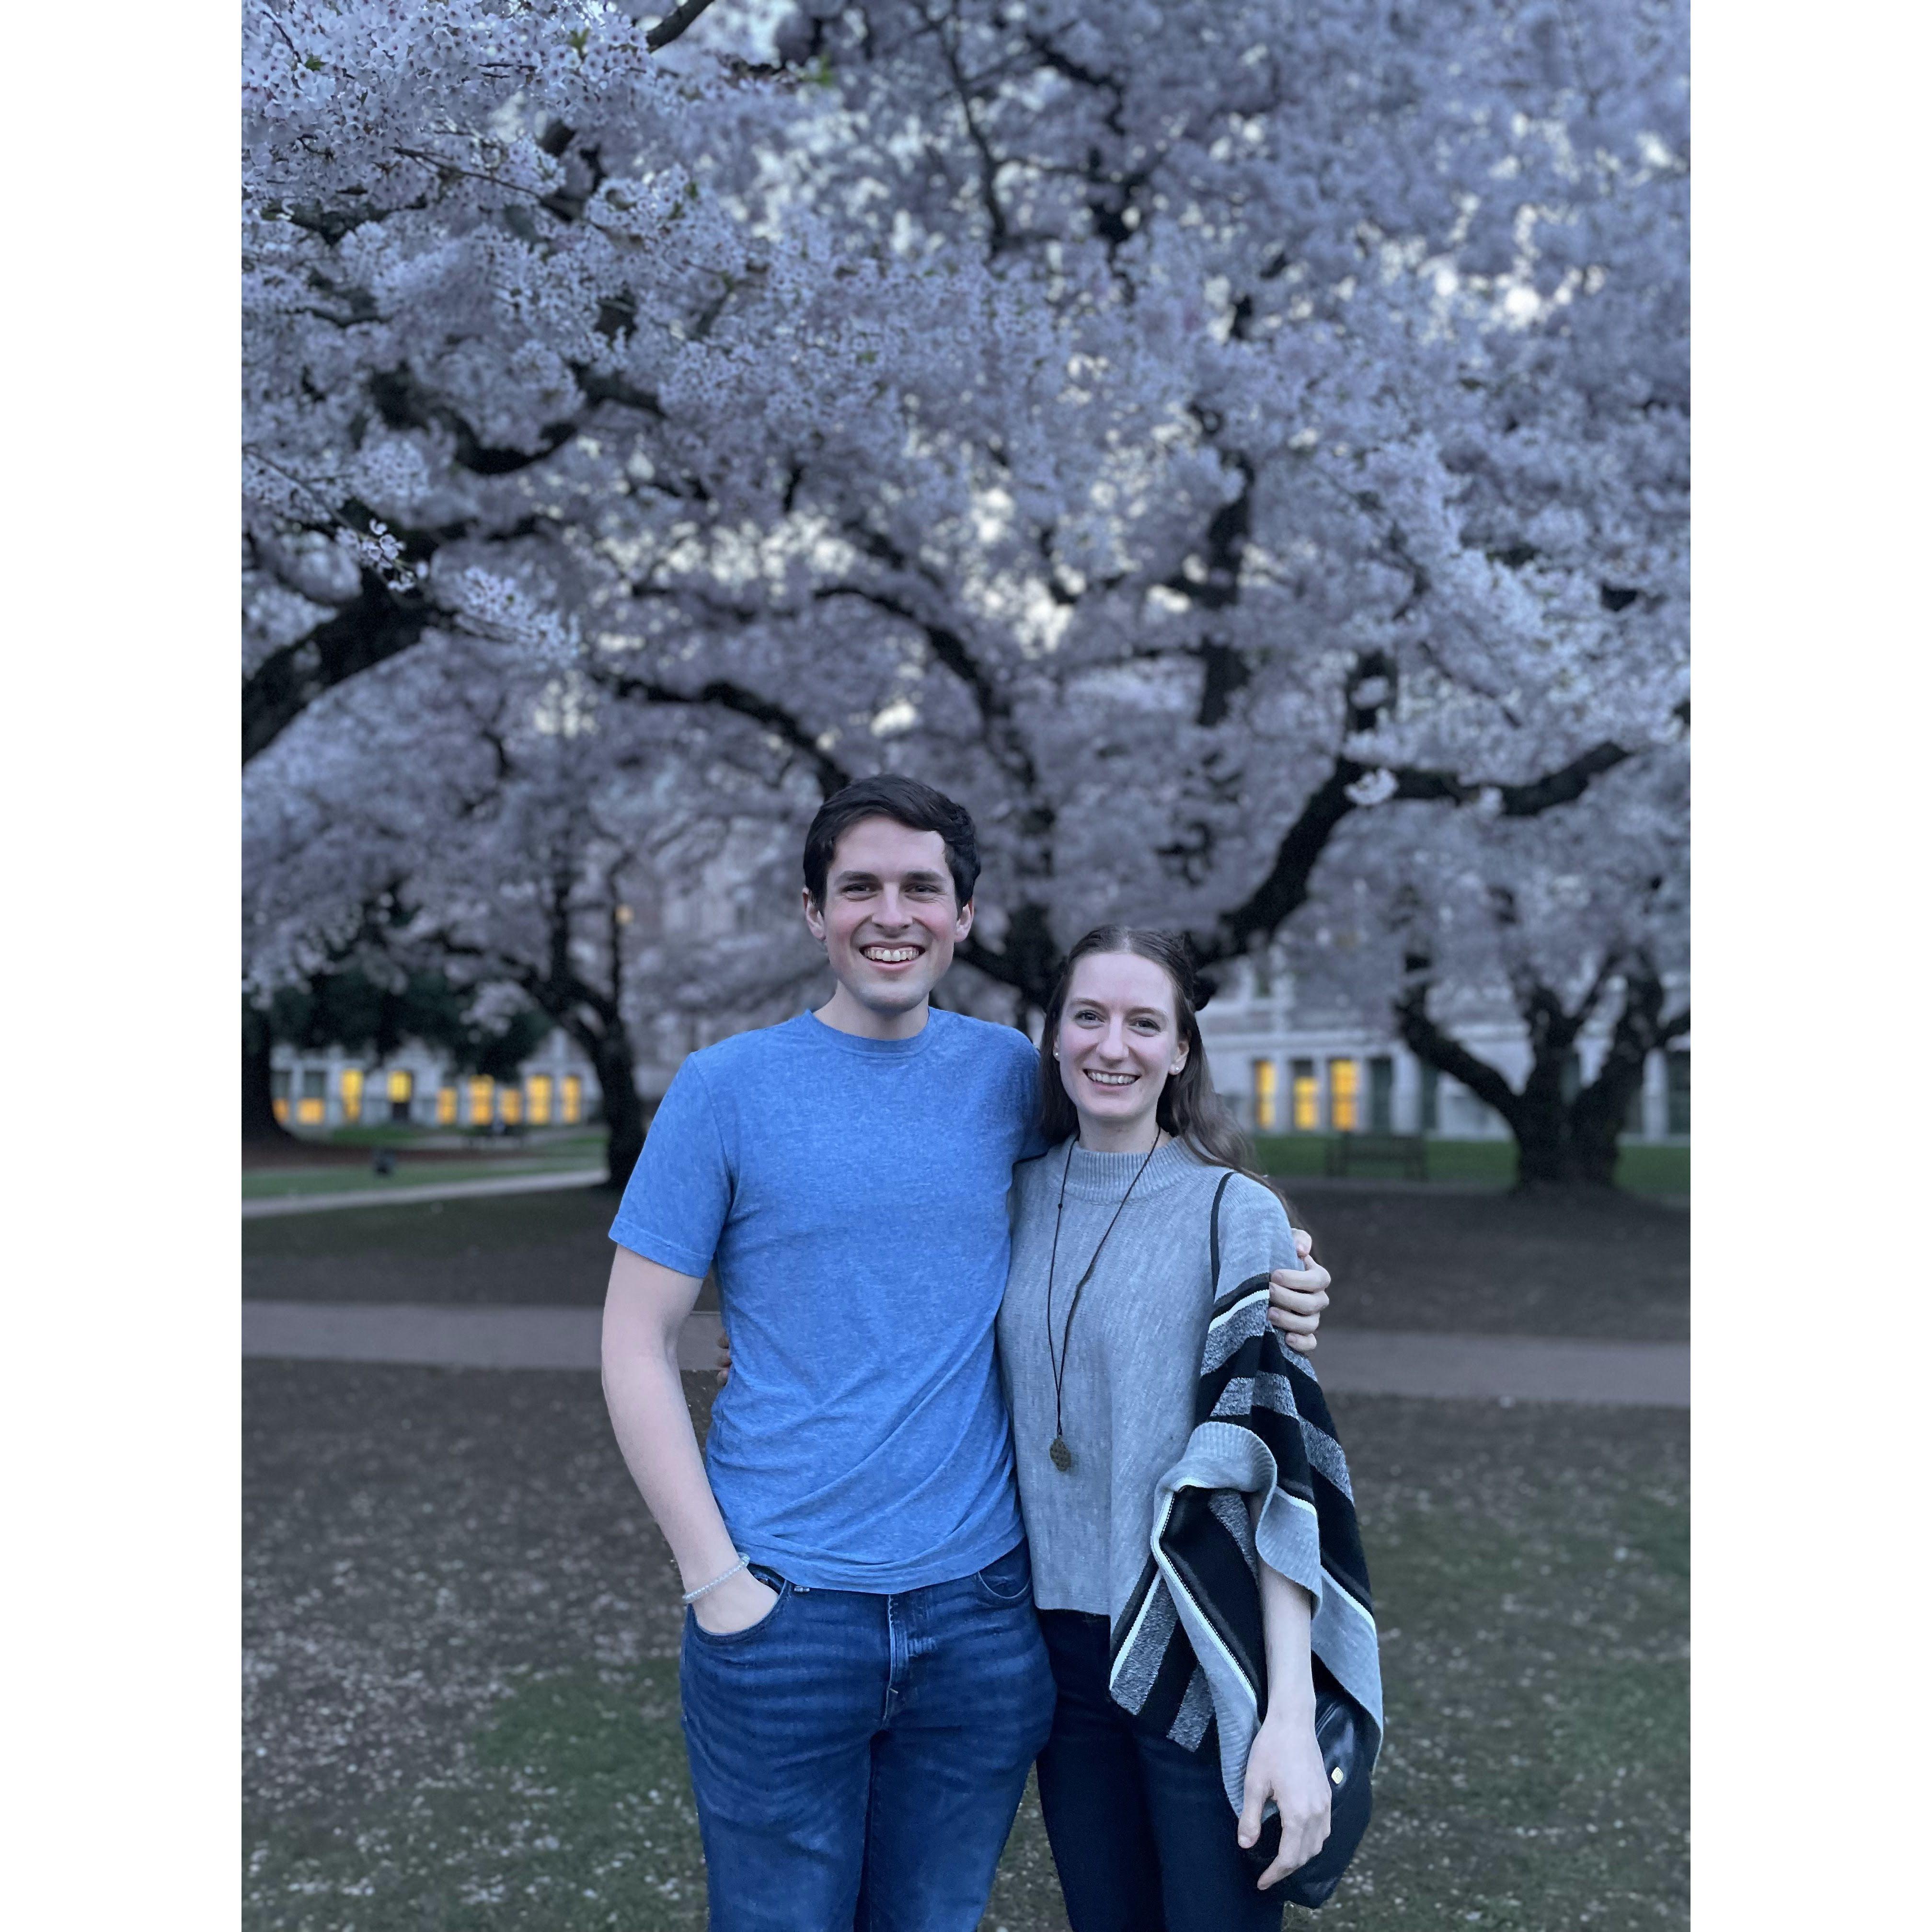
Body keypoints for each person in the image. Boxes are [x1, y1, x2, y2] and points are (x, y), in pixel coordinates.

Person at [599, 777, 1335, 1932]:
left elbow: (1132, 1187)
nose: (889, 914)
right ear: (813, 912)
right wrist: (714, 1581)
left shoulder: (1010, 1075)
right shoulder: (724, 1091)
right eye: (859, 888)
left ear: (963, 916)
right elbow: (635, 1340)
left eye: (920, 888)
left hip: (983, 1622)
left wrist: (1278, 1266)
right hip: (784, 1608)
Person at [999, 925, 1381, 1932]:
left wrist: (1291, 1720)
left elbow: (1277, 1479)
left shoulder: (1234, 1212)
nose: (1111, 1046)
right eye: (1088, 1016)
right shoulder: (1006, 1198)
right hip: (1061, 1660)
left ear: (1179, 1051)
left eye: (1143, 1022)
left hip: (1202, 1645)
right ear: (1052, 1037)